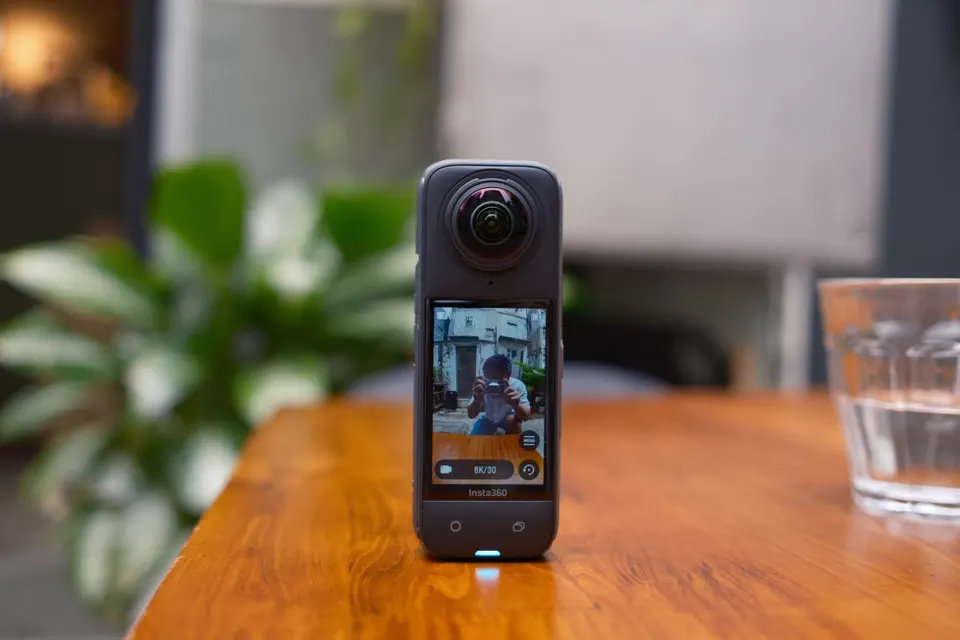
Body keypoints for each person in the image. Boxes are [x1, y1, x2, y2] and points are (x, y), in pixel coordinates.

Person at [467, 354, 531, 435]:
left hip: (509, 416)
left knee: (514, 423)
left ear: (509, 375)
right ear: (484, 375)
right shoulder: (481, 385)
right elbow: (471, 415)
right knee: (474, 439)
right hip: (489, 417)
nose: (493, 384)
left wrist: (516, 405)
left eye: (498, 380)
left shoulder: (517, 385)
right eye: (489, 380)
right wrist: (477, 400)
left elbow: (526, 416)